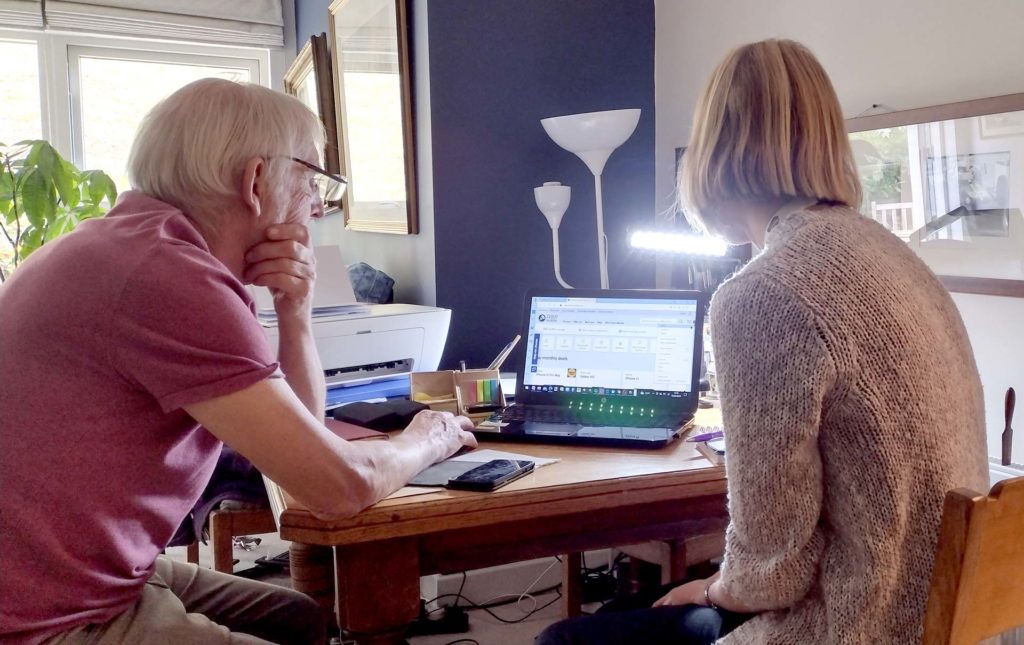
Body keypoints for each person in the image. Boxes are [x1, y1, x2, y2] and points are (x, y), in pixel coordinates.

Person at [537, 38, 988, 645]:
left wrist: (712, 586)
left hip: (862, 623)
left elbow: (773, 565)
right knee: (626, 616)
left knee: (566, 640)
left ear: (712, 152)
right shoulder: (894, 254)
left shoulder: (765, 291)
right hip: (953, 613)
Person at [0, 78, 478, 645]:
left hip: (72, 569)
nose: (319, 204)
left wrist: (294, 308)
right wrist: (432, 437)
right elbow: (337, 489)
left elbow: (297, 445)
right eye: (311, 178)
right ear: (255, 181)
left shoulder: (125, 243)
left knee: (300, 619)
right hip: (42, 615)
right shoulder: (169, 278)